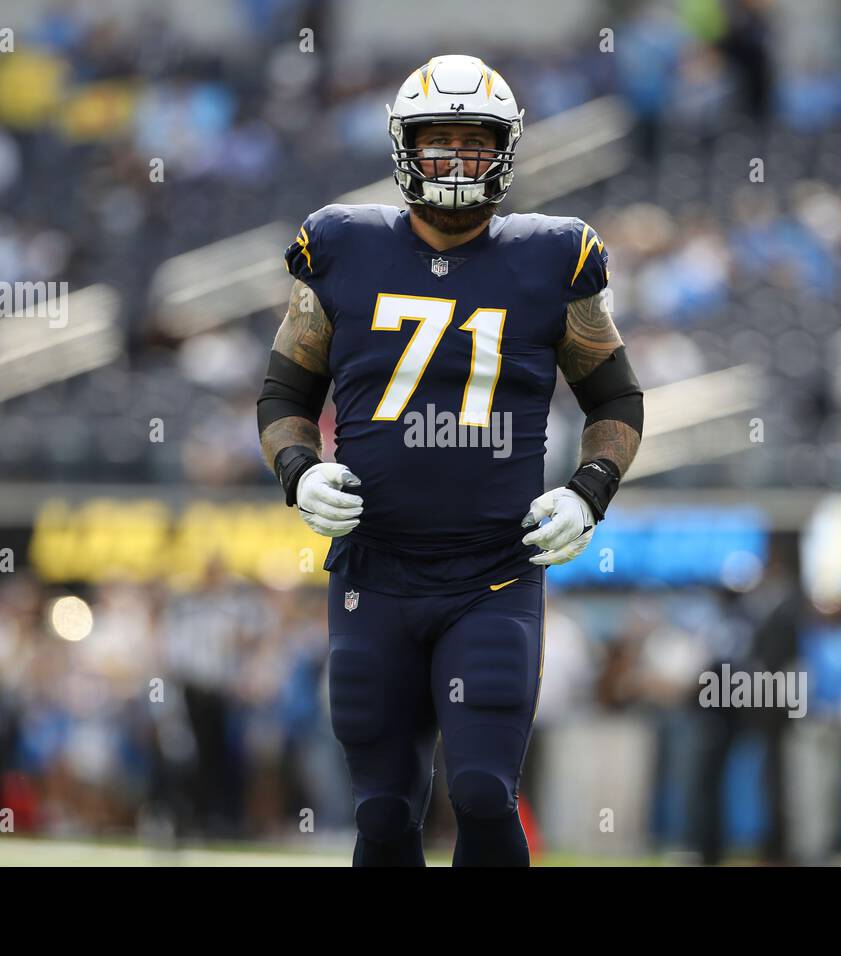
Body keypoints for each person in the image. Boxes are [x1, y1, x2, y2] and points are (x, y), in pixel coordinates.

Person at [255, 55, 644, 866]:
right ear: (405, 149)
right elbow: (282, 393)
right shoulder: (342, 245)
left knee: (481, 790)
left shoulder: (553, 257)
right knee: (384, 812)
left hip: (492, 577)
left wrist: (589, 490)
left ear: (505, 151)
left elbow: (615, 401)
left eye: (477, 144)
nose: (459, 162)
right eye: (442, 144)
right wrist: (299, 470)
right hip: (373, 573)